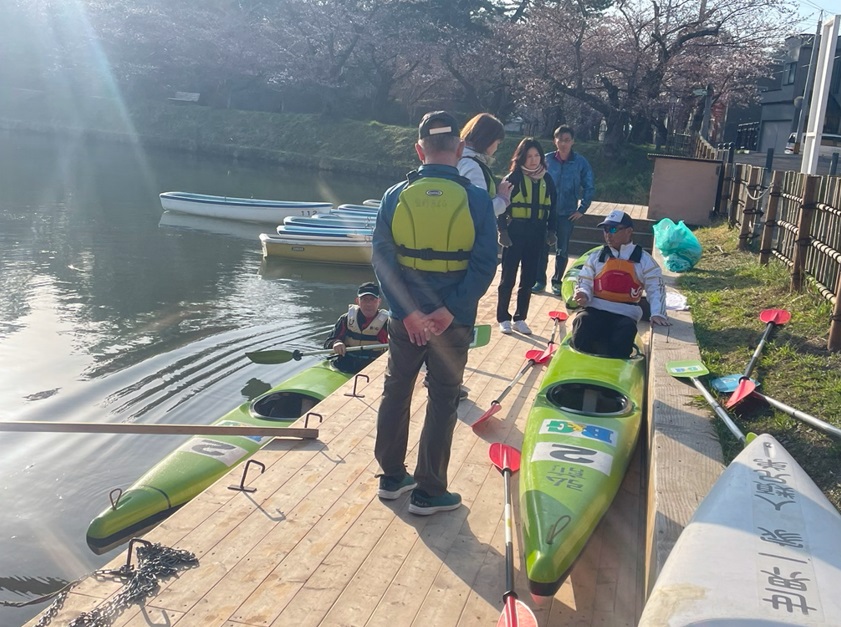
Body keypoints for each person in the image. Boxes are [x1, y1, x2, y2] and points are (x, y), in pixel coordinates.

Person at [372, 111, 497, 515]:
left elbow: (382, 259)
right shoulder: (477, 200)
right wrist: (449, 311)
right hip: (453, 321)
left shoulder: (394, 195)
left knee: (397, 388)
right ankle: (429, 490)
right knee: (443, 397)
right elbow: (484, 263)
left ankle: (392, 477)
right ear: (460, 150)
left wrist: (407, 313)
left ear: (418, 149)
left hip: (403, 318)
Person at [570, 210, 670, 358]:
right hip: (595, 310)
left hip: (625, 314)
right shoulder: (596, 257)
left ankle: (615, 366)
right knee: (582, 320)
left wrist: (657, 313)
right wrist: (583, 292)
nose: (608, 234)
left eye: (613, 229)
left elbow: (656, 288)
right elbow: (584, 279)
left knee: (626, 330)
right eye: (605, 230)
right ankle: (579, 363)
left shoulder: (644, 260)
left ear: (629, 231)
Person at [496, 137, 558, 335]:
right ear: (521, 157)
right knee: (508, 278)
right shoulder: (512, 178)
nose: (533, 160)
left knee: (528, 279)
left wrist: (551, 230)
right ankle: (503, 318)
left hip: (537, 233)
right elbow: (500, 205)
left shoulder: (547, 179)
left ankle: (520, 318)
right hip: (515, 233)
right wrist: (502, 231)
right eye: (529, 156)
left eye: (537, 155)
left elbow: (553, 208)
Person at [533, 125, 595, 295]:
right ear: (555, 141)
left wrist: (582, 209)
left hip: (567, 213)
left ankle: (557, 281)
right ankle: (539, 280)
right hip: (545, 212)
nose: (563, 144)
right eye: (560, 139)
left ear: (573, 141)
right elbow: (534, 182)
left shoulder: (580, 162)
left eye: (567, 140)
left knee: (563, 249)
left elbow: (589, 186)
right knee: (542, 248)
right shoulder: (546, 160)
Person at [323, 282, 389, 374]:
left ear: (379, 302)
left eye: (372, 299)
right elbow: (328, 343)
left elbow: (399, 348)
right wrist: (336, 343)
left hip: (373, 368)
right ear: (358, 301)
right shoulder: (345, 319)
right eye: (364, 299)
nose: (368, 304)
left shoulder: (388, 323)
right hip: (345, 364)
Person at [458, 113, 513, 218]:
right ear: (488, 139)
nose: (496, 148)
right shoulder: (472, 167)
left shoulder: (457, 159)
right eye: (497, 143)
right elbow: (480, 209)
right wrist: (502, 199)